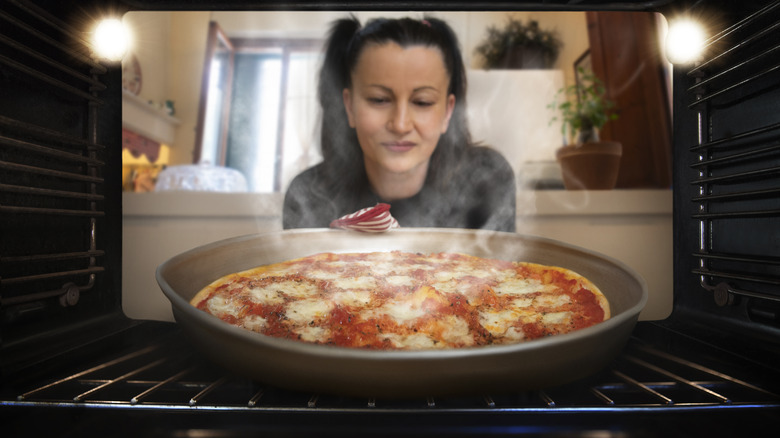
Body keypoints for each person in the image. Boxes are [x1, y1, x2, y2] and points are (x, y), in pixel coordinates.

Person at [283, 16, 516, 232]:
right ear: (350, 107)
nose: (401, 124)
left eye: (422, 102)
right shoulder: (309, 195)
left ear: (447, 112)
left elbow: (505, 273)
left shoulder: (487, 180)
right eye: (379, 100)